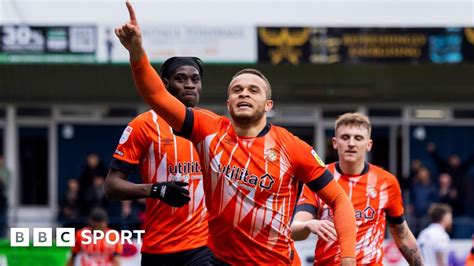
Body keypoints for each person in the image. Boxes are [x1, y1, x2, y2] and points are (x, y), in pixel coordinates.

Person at [114, 2, 357, 265]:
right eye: (237, 89)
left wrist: (348, 258)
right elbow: (156, 95)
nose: (244, 93)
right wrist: (137, 51)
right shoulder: (207, 129)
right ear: (228, 103)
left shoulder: (292, 147)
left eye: (254, 90)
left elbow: (340, 200)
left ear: (268, 105)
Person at [104, 56, 211, 265]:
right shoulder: (143, 125)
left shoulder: (212, 125)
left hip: (203, 246)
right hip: (159, 248)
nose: (189, 85)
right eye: (181, 79)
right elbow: (111, 186)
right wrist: (156, 190)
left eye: (195, 79)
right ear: (164, 84)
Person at [291, 113, 423, 265]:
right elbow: (295, 230)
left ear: (369, 144)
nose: (351, 143)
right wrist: (308, 224)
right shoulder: (317, 178)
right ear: (335, 142)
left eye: (358, 138)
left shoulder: (386, 182)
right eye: (345, 137)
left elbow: (402, 235)